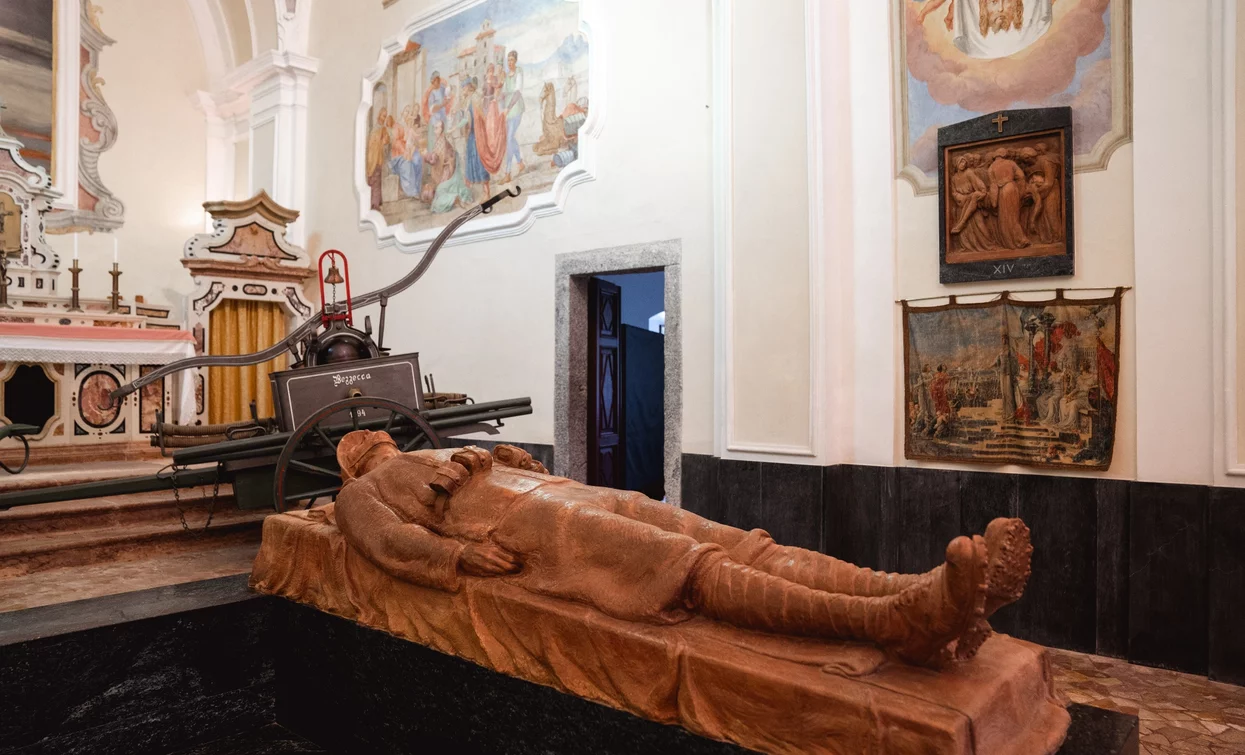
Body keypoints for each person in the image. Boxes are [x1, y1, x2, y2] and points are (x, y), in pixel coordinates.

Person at [333, 432, 1035, 669]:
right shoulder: (359, 492)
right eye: (363, 446)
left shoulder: (431, 448)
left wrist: (515, 458)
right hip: (538, 533)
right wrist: (455, 560)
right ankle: (888, 623)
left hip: (575, 498)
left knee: (734, 541)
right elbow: (388, 541)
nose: (377, 443)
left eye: (378, 438)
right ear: (354, 463)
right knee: (695, 570)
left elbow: (522, 469)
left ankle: (909, 591)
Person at [424, 121, 474, 213]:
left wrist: (447, 163)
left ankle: (454, 199)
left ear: (442, 129)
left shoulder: (444, 141)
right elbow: (437, 158)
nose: (435, 130)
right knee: (439, 191)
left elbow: (451, 157)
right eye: (435, 128)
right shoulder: (438, 141)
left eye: (437, 128)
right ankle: (454, 199)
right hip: (443, 172)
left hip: (448, 172)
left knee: (440, 193)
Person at [949, 154, 995, 252]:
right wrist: (961, 197)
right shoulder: (954, 178)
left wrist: (981, 192)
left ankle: (989, 245)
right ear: (956, 164)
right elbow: (954, 192)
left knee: (980, 225)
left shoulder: (969, 173)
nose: (963, 164)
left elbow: (979, 184)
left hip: (972, 202)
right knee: (965, 232)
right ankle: (967, 247)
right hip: (961, 203)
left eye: (964, 162)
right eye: (961, 162)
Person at [986, 147, 1030, 249]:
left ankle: (1011, 242)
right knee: (1014, 216)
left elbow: (993, 186)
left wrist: (994, 202)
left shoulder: (991, 168)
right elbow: (1021, 176)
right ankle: (1020, 240)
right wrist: (1021, 190)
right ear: (1004, 154)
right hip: (1011, 188)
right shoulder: (1011, 163)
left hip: (1001, 192)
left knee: (1005, 217)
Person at [501, 50, 527, 182]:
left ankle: (507, 173)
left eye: (512, 60)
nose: (510, 62)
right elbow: (504, 93)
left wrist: (507, 108)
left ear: (515, 60)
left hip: (516, 108)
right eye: (508, 60)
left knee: (509, 139)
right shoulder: (506, 76)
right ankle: (520, 163)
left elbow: (517, 93)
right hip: (507, 110)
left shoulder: (519, 72)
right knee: (510, 139)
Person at [365, 107, 391, 210]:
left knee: (377, 180)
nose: (383, 118)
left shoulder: (382, 128)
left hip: (378, 157)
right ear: (379, 115)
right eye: (383, 115)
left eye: (385, 116)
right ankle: (373, 203)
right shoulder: (376, 128)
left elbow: (387, 140)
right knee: (373, 180)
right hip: (372, 157)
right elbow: (372, 143)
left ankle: (376, 202)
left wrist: (384, 141)